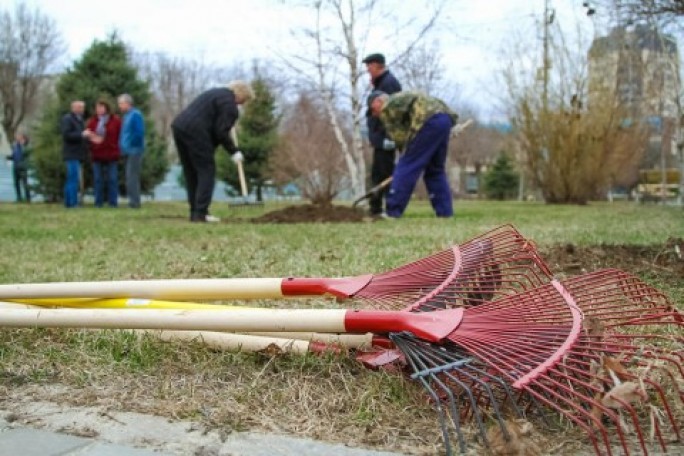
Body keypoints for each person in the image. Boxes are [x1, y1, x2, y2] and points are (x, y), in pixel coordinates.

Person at [171, 80, 254, 222]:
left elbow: (214, 128)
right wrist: (234, 151)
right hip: (196, 131)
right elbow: (221, 132)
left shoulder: (215, 93)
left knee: (191, 172)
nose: (242, 105)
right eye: (244, 101)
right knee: (206, 171)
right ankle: (201, 213)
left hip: (179, 127)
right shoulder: (230, 106)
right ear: (240, 95)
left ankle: (195, 212)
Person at [369, 91, 459, 218]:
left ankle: (393, 211)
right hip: (445, 118)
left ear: (378, 102)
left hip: (427, 120)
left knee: (407, 165)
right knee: (435, 170)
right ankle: (445, 212)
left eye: (372, 110)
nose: (374, 114)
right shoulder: (400, 99)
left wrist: (404, 158)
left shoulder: (387, 107)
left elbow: (399, 138)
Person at [362, 53, 402, 217]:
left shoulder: (389, 84)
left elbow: (392, 114)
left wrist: (388, 138)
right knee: (378, 173)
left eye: (369, 66)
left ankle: (385, 208)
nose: (367, 70)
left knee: (383, 173)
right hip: (380, 139)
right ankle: (376, 207)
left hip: (385, 139)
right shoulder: (380, 83)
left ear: (378, 65)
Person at [84, 99, 121, 208]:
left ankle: (113, 202)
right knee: (98, 179)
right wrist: (92, 139)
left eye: (101, 107)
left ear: (107, 108)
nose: (99, 110)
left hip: (111, 153)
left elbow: (119, 135)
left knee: (112, 179)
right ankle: (98, 202)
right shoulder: (93, 121)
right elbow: (88, 134)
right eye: (97, 108)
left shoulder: (115, 121)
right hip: (97, 154)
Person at [117, 94, 145, 208]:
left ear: (127, 103)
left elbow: (139, 133)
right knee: (129, 177)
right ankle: (132, 201)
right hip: (127, 150)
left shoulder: (135, 115)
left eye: (120, 103)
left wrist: (131, 145)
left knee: (132, 177)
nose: (119, 106)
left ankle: (134, 202)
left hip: (134, 150)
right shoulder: (126, 116)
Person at [60, 100, 87, 208]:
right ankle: (72, 202)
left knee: (71, 178)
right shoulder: (68, 119)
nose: (81, 109)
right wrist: (81, 134)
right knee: (73, 178)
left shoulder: (79, 120)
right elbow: (66, 135)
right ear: (73, 108)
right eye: (79, 107)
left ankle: (68, 202)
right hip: (71, 153)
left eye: (82, 107)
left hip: (77, 153)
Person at [7, 132, 31, 203]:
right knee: (16, 183)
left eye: (19, 137)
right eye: (17, 137)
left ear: (22, 138)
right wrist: (8, 158)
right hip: (15, 166)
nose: (17, 138)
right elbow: (14, 156)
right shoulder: (15, 146)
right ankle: (19, 198)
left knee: (24, 182)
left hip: (23, 166)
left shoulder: (25, 146)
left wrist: (23, 144)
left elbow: (26, 154)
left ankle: (27, 198)